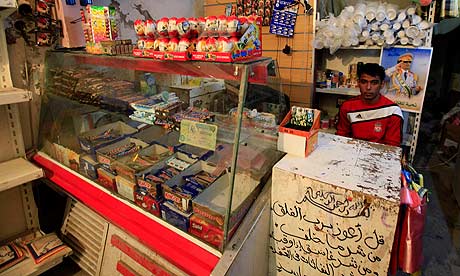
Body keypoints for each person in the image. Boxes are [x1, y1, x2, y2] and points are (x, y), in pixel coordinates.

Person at [336, 63, 403, 146]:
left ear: (382, 84)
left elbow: (392, 146)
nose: (368, 87)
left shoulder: (393, 111)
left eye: (374, 83)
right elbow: (341, 137)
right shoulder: (347, 107)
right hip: (351, 153)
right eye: (364, 82)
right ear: (358, 83)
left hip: (379, 156)